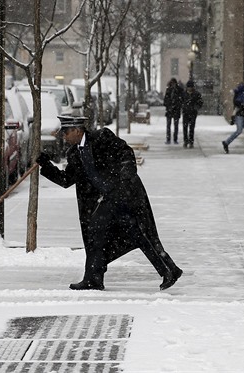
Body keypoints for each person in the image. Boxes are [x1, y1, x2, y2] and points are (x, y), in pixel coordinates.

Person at [36, 115, 183, 291]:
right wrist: (46, 165)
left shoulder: (102, 137)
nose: (64, 137)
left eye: (66, 132)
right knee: (96, 235)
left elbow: (125, 152)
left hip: (126, 194)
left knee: (140, 233)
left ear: (77, 130)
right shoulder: (74, 154)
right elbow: (66, 179)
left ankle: (170, 270)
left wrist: (125, 177)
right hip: (105, 201)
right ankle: (93, 278)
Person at [222, 81, 244, 153]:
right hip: (240, 115)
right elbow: (240, 100)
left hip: (243, 115)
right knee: (239, 131)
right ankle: (226, 142)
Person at [181, 80, 203, 148]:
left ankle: (191, 141)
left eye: (191, 87)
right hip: (185, 112)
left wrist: (196, 107)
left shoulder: (196, 94)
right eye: (188, 87)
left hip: (193, 112)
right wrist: (183, 106)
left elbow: (200, 102)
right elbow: (180, 101)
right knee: (185, 127)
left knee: (191, 127)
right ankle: (185, 141)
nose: (189, 88)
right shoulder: (184, 94)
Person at [163, 78, 183, 144]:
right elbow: (165, 100)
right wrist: (169, 106)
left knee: (175, 126)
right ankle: (168, 139)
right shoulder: (169, 90)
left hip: (175, 110)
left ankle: (175, 139)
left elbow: (181, 100)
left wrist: (177, 105)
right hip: (170, 110)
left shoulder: (179, 90)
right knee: (169, 125)